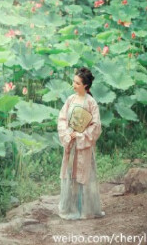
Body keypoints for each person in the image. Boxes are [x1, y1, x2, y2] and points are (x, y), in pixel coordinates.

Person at [57, 67, 105, 220]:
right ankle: (70, 208)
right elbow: (62, 119)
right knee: (70, 174)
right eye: (73, 82)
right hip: (71, 143)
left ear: (85, 85)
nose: (74, 85)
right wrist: (67, 134)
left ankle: (84, 209)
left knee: (84, 174)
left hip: (83, 145)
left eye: (77, 83)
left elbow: (96, 126)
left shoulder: (91, 103)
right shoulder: (70, 100)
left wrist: (81, 135)